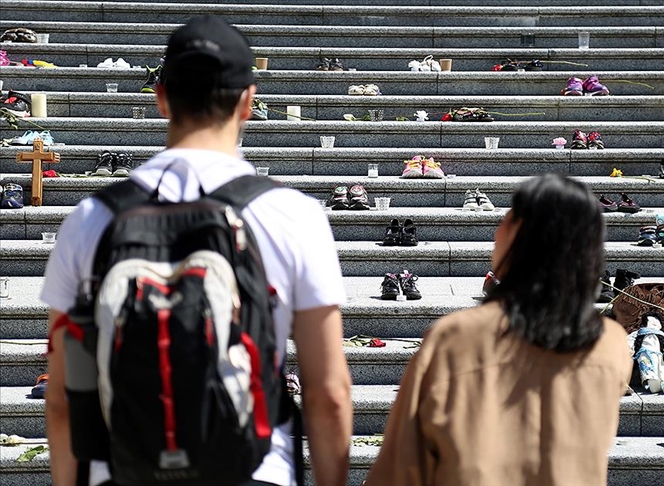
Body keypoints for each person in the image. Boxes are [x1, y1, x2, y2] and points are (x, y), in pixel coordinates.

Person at [41, 16, 352, 486]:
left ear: (161, 97)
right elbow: (328, 392)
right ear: (248, 102)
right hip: (254, 468)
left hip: (122, 469)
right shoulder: (295, 216)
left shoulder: (91, 220)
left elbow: (64, 396)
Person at [365, 174, 632, 485]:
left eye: (508, 219)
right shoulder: (611, 344)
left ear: (517, 235)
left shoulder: (456, 337)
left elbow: (402, 465)